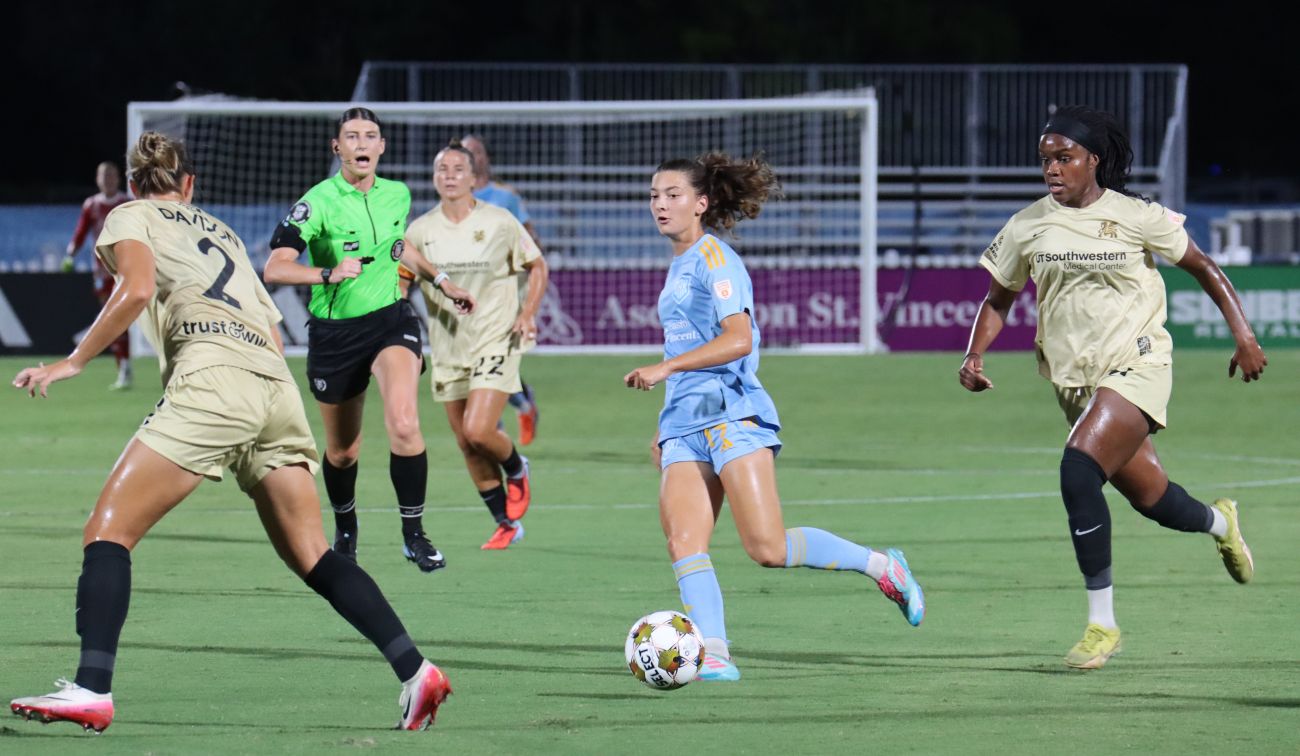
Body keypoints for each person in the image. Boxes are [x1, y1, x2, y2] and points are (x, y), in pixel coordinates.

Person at [9, 132, 451, 733]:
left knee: (108, 531)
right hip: (274, 387)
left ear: (135, 185)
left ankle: (91, 688)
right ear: (190, 185)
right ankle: (416, 671)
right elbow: (269, 328)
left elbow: (136, 289)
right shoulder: (225, 233)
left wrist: (74, 360)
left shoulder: (130, 215)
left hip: (213, 381)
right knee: (313, 554)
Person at [958, 105, 1265, 670]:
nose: (1052, 169)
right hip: (1075, 381)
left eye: (1064, 158)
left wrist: (1243, 335)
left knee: (1077, 472)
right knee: (1154, 501)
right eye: (1045, 159)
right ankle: (1222, 523)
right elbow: (998, 299)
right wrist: (974, 353)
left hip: (1138, 365)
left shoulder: (1137, 215)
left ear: (1093, 160)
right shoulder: (1027, 224)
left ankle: (1103, 625)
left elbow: (1204, 267)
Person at [623, 152, 925, 682]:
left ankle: (882, 565)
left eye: (672, 195)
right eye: (654, 195)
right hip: (684, 425)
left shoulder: (716, 259)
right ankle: (715, 652)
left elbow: (738, 340)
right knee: (684, 543)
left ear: (701, 203)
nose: (660, 204)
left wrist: (665, 368)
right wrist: (665, 423)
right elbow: (687, 342)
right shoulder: (678, 265)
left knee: (767, 547)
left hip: (732, 416)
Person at [264, 107, 474, 573]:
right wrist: (328, 273)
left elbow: (398, 246)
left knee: (404, 423)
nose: (362, 143)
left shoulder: (397, 194)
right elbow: (275, 267)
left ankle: (414, 535)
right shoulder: (318, 201)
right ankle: (346, 528)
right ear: (337, 147)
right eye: (352, 136)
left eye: (370, 135)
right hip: (335, 336)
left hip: (390, 321)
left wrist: (443, 281)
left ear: (381, 146)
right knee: (343, 451)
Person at [405, 139, 547, 550]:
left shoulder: (500, 221)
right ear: (434, 178)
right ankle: (505, 522)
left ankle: (517, 468)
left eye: (458, 169)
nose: (449, 176)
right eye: (442, 169)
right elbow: (402, 281)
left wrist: (528, 313)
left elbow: (537, 265)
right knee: (467, 443)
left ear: (473, 178)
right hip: (448, 346)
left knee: (479, 430)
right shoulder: (420, 231)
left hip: (496, 336)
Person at [461, 134, 542, 445]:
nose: (470, 157)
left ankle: (494, 433)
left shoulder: (505, 196)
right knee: (477, 362)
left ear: (486, 158)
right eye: (465, 152)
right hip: (467, 292)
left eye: (475, 152)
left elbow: (532, 240)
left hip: (502, 291)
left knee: (487, 360)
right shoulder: (454, 199)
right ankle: (523, 402)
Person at [62, 161, 132, 390]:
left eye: (111, 175)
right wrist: (70, 255)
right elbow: (81, 232)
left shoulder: (127, 204)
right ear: (97, 180)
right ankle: (123, 366)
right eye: (104, 176)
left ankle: (126, 366)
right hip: (102, 271)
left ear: (118, 179)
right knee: (113, 320)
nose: (108, 180)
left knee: (120, 318)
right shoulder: (91, 205)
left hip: (126, 270)